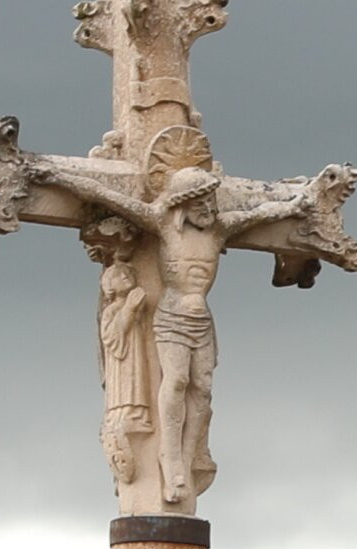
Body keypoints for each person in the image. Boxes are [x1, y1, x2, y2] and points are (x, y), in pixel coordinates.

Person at [35, 164, 308, 502]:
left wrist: (295, 206)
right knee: (177, 381)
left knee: (202, 391)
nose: (208, 209)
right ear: (181, 204)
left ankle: (189, 452)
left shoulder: (220, 230)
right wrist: (57, 177)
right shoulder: (164, 226)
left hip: (200, 320)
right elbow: (105, 195)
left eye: (210, 202)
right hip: (171, 317)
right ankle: (170, 457)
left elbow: (261, 213)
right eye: (199, 203)